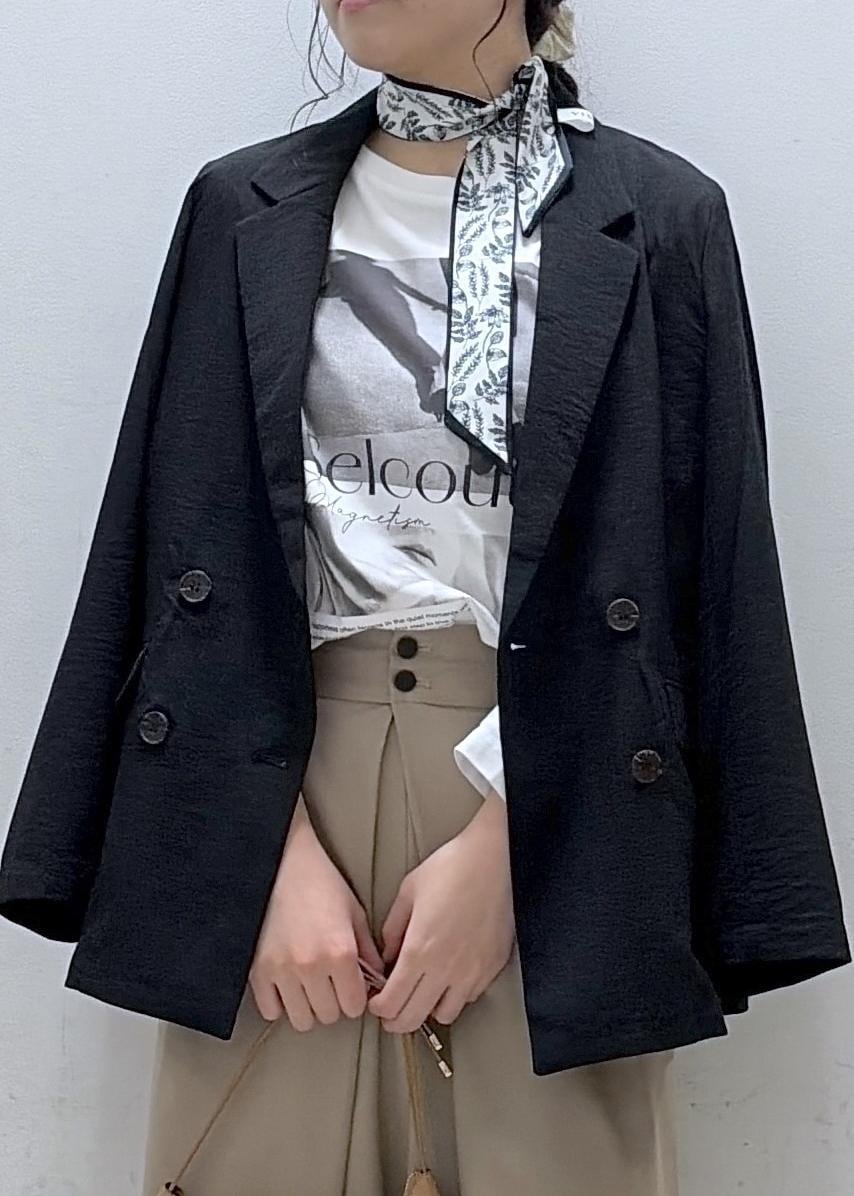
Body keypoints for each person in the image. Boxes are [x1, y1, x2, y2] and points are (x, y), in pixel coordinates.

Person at [0, 3, 849, 1194]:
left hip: (564, 781)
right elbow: (174, 543)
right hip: (277, 774)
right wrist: (262, 851)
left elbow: (699, 576)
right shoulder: (242, 206)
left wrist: (513, 844)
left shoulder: (657, 216)